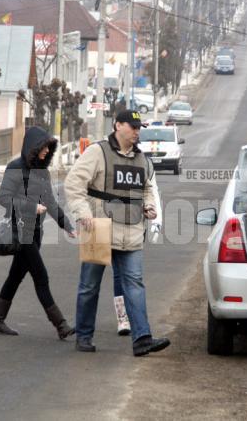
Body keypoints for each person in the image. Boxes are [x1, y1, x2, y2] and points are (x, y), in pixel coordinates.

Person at [65, 109, 171, 356]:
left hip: (131, 231)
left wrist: (150, 207)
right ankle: (84, 336)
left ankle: (142, 338)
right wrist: (83, 214)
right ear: (118, 126)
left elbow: (147, 189)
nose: (136, 131)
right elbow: (74, 184)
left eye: (138, 127)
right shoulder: (97, 152)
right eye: (132, 126)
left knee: (134, 284)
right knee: (89, 285)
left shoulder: (142, 160)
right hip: (99, 228)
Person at [0, 126, 76, 339]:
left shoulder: (42, 172)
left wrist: (67, 225)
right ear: (32, 147)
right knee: (41, 276)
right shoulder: (15, 167)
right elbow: (4, 198)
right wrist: (31, 207)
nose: (47, 151)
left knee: (15, 276)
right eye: (43, 148)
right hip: (20, 231)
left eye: (49, 148)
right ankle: (61, 325)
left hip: (35, 233)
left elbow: (51, 203)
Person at [113, 179, 162, 336]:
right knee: (118, 274)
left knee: (134, 277)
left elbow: (152, 190)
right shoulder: (110, 159)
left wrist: (156, 219)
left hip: (135, 227)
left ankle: (138, 324)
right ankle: (122, 317)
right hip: (113, 224)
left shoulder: (144, 163)